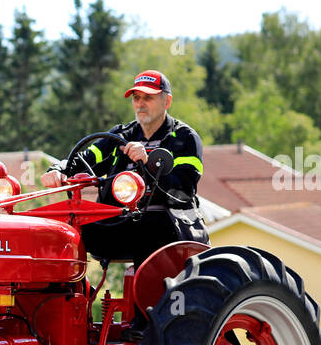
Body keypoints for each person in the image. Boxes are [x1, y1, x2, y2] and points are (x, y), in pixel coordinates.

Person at [41, 69, 209, 267]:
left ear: (167, 101)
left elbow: (183, 192)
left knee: (148, 228)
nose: (140, 103)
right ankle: (70, 294)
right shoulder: (120, 135)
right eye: (136, 98)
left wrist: (149, 164)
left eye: (148, 97)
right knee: (64, 232)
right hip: (120, 223)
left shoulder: (184, 138)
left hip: (171, 225)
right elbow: (83, 159)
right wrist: (58, 169)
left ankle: (143, 296)